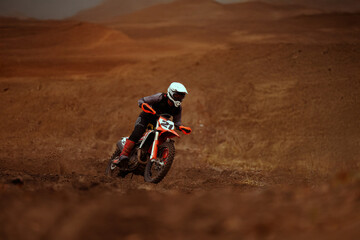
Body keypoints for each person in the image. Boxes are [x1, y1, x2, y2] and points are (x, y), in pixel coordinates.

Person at [113, 82, 192, 165]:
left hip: (159, 123)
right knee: (138, 133)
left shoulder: (178, 108)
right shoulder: (160, 97)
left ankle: (151, 160)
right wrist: (144, 105)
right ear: (171, 92)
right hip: (146, 118)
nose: (179, 98)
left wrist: (182, 127)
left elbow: (177, 122)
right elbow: (142, 100)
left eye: (181, 96)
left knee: (163, 138)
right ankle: (123, 155)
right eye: (177, 95)